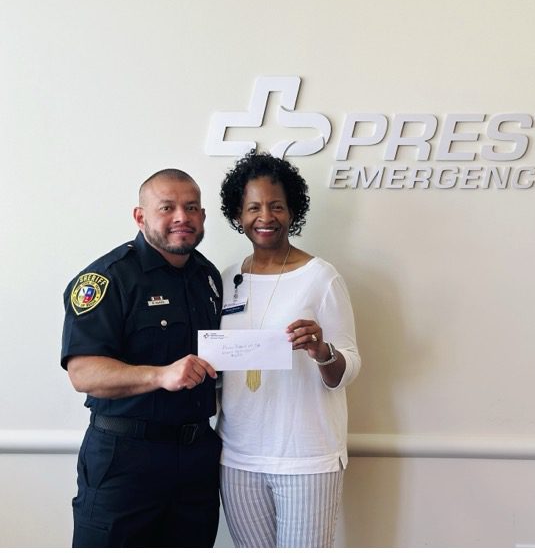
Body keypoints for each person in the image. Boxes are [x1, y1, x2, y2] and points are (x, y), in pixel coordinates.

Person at [61, 169, 223, 547]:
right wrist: (159, 376)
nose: (182, 216)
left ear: (202, 217)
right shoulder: (108, 278)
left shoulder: (208, 277)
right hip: (126, 459)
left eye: (192, 207)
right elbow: (82, 372)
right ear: (140, 216)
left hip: (196, 457)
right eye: (167, 207)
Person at [216, 150, 361, 548]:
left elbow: (348, 368)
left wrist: (322, 351)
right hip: (239, 459)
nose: (265, 217)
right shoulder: (227, 280)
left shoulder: (321, 278)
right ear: (237, 214)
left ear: (292, 211)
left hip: (306, 458)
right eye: (253, 208)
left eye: (276, 206)